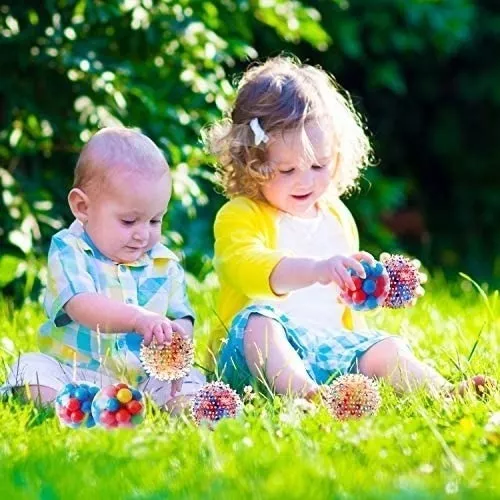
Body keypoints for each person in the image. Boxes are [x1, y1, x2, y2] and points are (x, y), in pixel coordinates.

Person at [203, 56, 491, 400]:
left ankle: (443, 392)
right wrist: (317, 269)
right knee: (259, 321)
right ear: (252, 164)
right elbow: (249, 269)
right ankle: (304, 394)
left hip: (325, 349)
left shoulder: (336, 216)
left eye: (318, 165)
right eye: (287, 170)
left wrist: (371, 288)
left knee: (385, 346)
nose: (305, 180)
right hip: (252, 362)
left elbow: (342, 307)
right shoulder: (240, 215)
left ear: (337, 155)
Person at [1, 127, 205, 409]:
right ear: (82, 207)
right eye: (129, 221)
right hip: (77, 371)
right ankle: (82, 407)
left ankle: (185, 409)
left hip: (144, 377)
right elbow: (81, 305)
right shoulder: (70, 249)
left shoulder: (164, 263)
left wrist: (176, 336)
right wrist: (138, 319)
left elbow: (182, 316)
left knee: (190, 383)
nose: (143, 234)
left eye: (155, 221)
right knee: (29, 369)